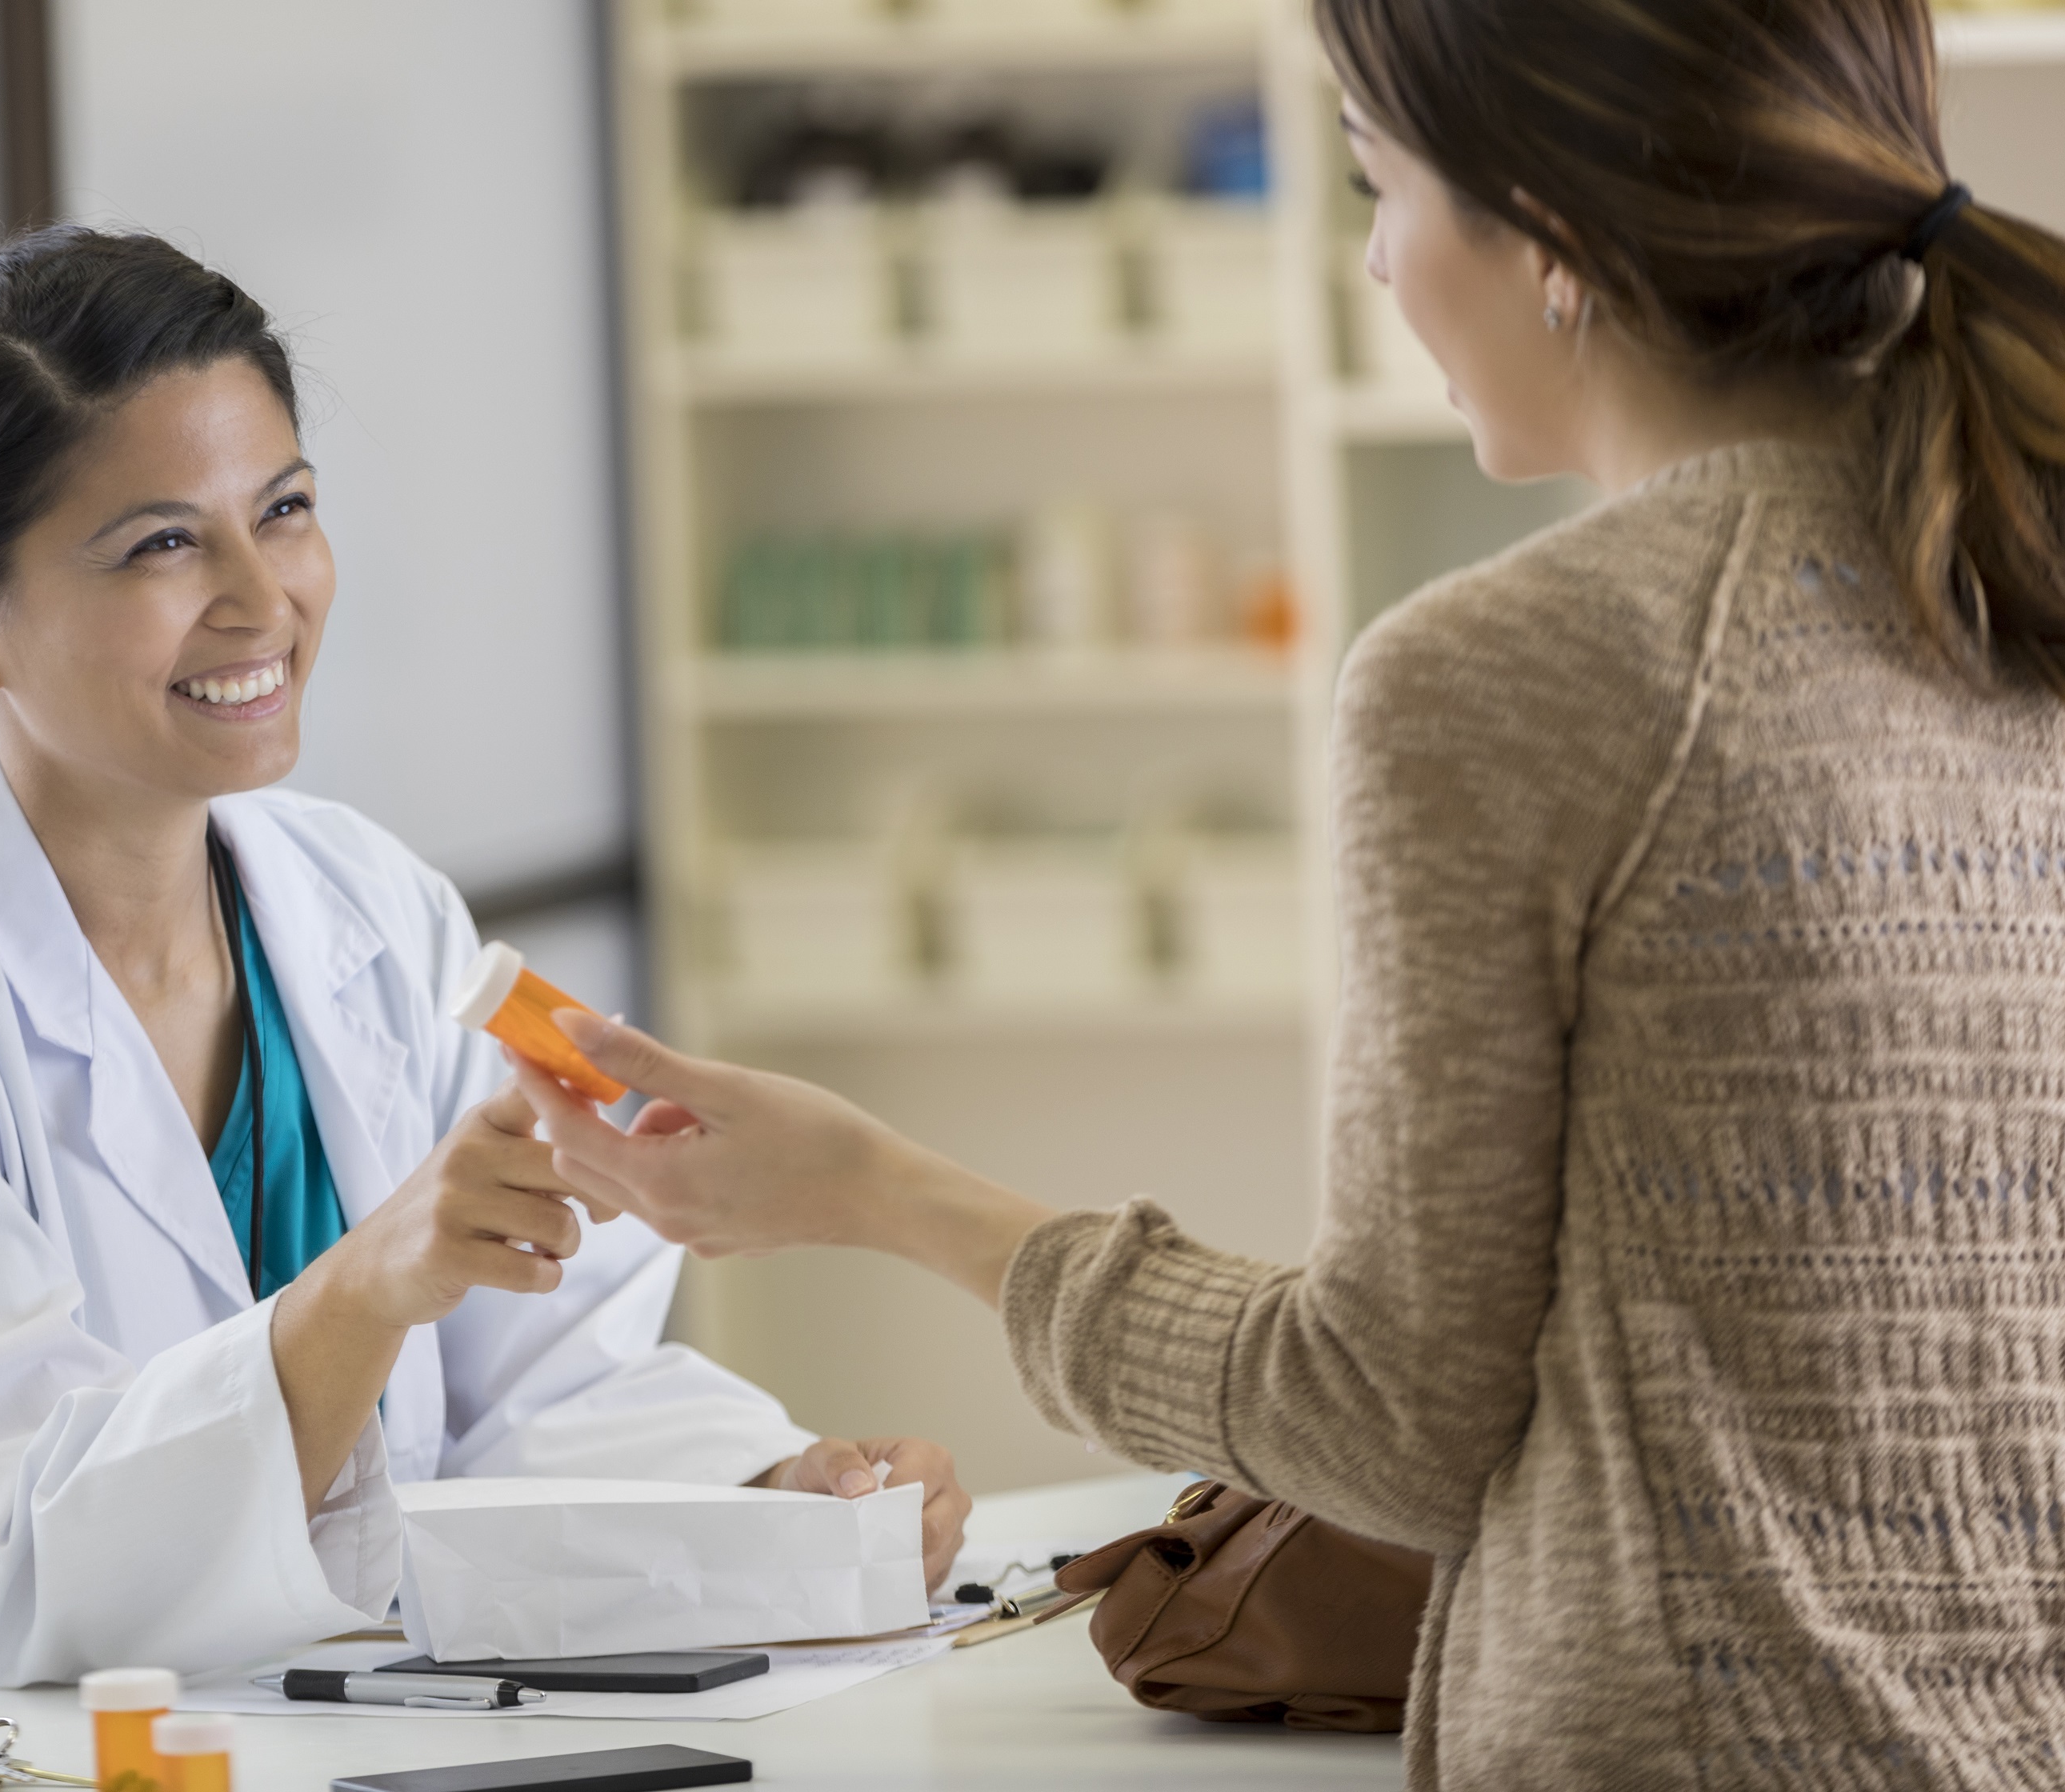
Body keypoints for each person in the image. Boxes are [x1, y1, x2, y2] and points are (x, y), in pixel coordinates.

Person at [513, 1, 2065, 1783]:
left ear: (1545, 229)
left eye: (1372, 182)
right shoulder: (2013, 579)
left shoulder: (1514, 676)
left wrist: (880, 1190)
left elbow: (1389, 1418)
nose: (1382, 265)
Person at [0, 227, 968, 1686]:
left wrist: (767, 1500)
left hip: (310, 1734)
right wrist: (367, 1284)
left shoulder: (365, 906)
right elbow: (9, 1563)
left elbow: (543, 1391)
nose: (262, 600)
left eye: (282, 510)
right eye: (160, 543)